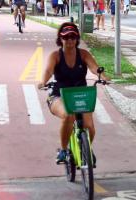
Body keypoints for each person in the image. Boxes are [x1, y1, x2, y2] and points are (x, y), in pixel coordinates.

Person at [37, 22, 110, 164]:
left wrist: (104, 77)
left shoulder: (83, 54)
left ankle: (86, 148)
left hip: (80, 94)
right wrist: (43, 81)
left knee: (89, 127)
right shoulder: (55, 56)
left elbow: (95, 68)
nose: (69, 40)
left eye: (73, 37)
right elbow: (48, 70)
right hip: (59, 95)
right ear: (60, 39)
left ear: (77, 39)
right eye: (66, 37)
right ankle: (63, 150)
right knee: (68, 115)